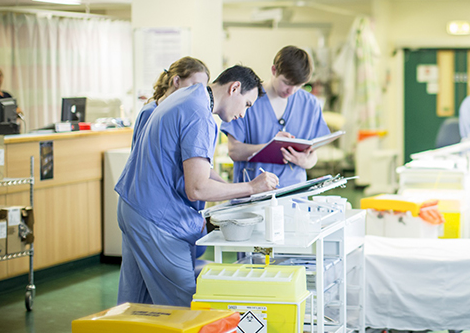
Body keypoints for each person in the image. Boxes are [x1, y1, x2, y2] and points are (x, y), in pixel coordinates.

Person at [115, 64, 279, 306]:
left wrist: (230, 187)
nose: (243, 114)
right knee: (183, 306)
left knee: (135, 305)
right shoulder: (200, 115)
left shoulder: (186, 97)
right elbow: (198, 188)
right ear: (234, 88)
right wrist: (251, 188)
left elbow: (193, 165)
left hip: (133, 208)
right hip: (156, 220)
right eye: (247, 105)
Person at [222, 46, 330, 188]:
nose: (291, 91)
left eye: (298, 85)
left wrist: (305, 162)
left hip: (294, 194)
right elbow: (234, 151)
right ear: (274, 70)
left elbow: (312, 155)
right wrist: (269, 147)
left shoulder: (310, 104)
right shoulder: (247, 99)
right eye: (286, 82)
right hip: (253, 195)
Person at [132, 57, 211, 148]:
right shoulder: (150, 112)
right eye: (194, 86)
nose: (198, 93)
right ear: (176, 81)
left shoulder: (178, 114)